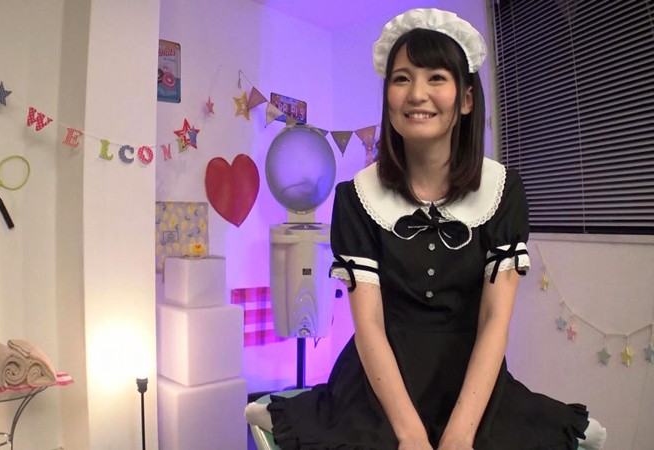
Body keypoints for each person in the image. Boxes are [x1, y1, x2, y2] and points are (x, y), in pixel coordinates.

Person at [245, 8, 608, 450]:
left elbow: (494, 319)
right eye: (402, 79)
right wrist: (410, 434)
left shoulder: (502, 191)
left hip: (473, 387)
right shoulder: (357, 197)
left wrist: (460, 434)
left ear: (467, 98)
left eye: (436, 77)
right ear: (388, 98)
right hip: (378, 390)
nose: (417, 94)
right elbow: (370, 324)